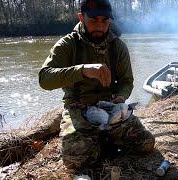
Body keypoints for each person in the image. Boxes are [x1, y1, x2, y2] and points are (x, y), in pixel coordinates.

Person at [39, 0, 155, 169]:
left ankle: (103, 139)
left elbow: (126, 81)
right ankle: (102, 140)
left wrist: (121, 97)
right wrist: (82, 70)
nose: (100, 26)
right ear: (81, 17)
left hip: (111, 109)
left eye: (105, 21)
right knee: (75, 160)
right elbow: (44, 79)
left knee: (145, 143)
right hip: (79, 110)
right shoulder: (67, 45)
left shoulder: (118, 47)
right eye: (93, 20)